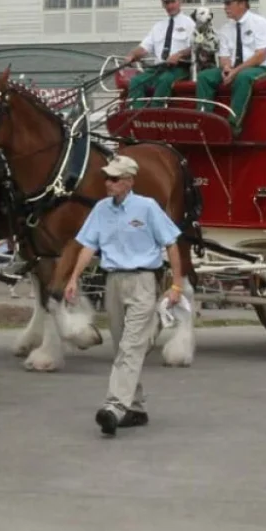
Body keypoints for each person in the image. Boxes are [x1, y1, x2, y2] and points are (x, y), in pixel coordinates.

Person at [63, 155, 184, 437]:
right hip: (113, 283)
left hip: (142, 281)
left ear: (129, 181)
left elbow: (171, 244)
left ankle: (114, 408)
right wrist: (73, 278)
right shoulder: (101, 209)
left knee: (130, 348)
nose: (108, 183)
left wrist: (176, 285)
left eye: (115, 179)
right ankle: (137, 408)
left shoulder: (147, 208)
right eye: (107, 178)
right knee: (122, 348)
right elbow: (87, 246)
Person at [195, 0, 266, 133]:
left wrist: (235, 71)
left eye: (228, 3)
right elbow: (224, 56)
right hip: (235, 68)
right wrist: (226, 68)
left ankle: (233, 125)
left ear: (242, 4)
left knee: (243, 77)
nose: (225, 7)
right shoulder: (226, 28)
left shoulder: (260, 23)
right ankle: (203, 120)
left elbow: (260, 55)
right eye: (225, 3)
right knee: (204, 77)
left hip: (261, 68)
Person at [123, 0, 196, 109]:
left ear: (181, 1)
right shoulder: (158, 26)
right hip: (159, 67)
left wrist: (179, 54)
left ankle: (156, 114)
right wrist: (132, 54)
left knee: (164, 80)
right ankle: (138, 117)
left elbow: (196, 47)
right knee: (136, 81)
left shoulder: (190, 24)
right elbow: (144, 47)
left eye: (173, 1)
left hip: (179, 68)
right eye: (166, 3)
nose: (170, 6)